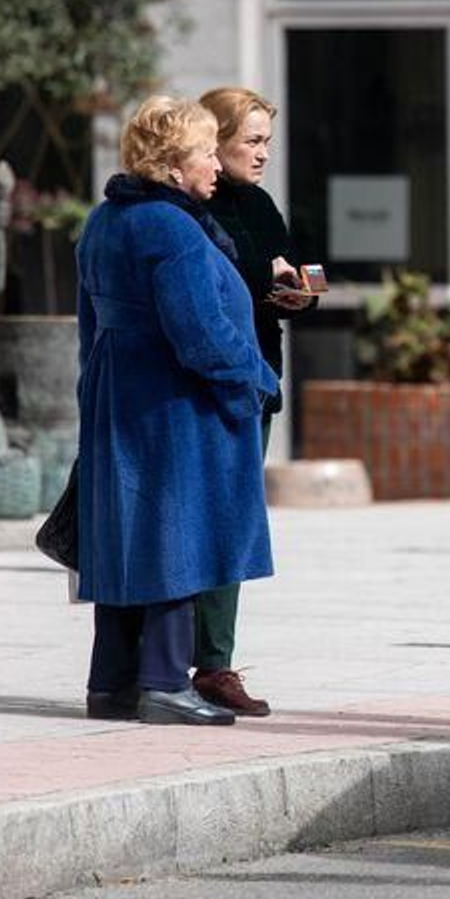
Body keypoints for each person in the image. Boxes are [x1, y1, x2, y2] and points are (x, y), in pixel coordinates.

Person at [75, 95, 278, 726]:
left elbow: (89, 325)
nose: (216, 164)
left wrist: (93, 392)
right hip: (177, 405)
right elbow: (202, 335)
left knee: (125, 535)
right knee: (176, 534)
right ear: (171, 165)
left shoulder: (104, 220)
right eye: (204, 153)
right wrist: (257, 379)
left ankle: (112, 684)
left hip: (120, 394)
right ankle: (164, 681)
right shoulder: (172, 228)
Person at [191, 86, 316, 717]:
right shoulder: (190, 207)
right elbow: (204, 290)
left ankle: (215, 660)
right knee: (201, 519)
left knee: (236, 520)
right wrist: (259, 277)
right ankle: (190, 660)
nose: (263, 154)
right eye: (252, 141)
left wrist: (296, 291)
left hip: (258, 376)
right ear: (213, 141)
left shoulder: (262, 204)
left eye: (268, 141)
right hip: (204, 385)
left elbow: (284, 271)